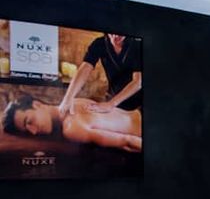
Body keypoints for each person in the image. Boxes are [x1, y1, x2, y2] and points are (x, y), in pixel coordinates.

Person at [3, 94, 142, 152]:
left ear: (37, 104)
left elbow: (127, 140)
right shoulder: (74, 100)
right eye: (27, 131)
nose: (33, 131)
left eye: (29, 121)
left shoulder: (70, 128)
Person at [58, 33, 142, 118]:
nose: (116, 36)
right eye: (112, 33)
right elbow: (85, 67)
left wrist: (111, 104)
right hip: (113, 98)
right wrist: (68, 98)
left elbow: (138, 82)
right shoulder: (99, 44)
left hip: (138, 103)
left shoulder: (137, 45)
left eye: (120, 34)